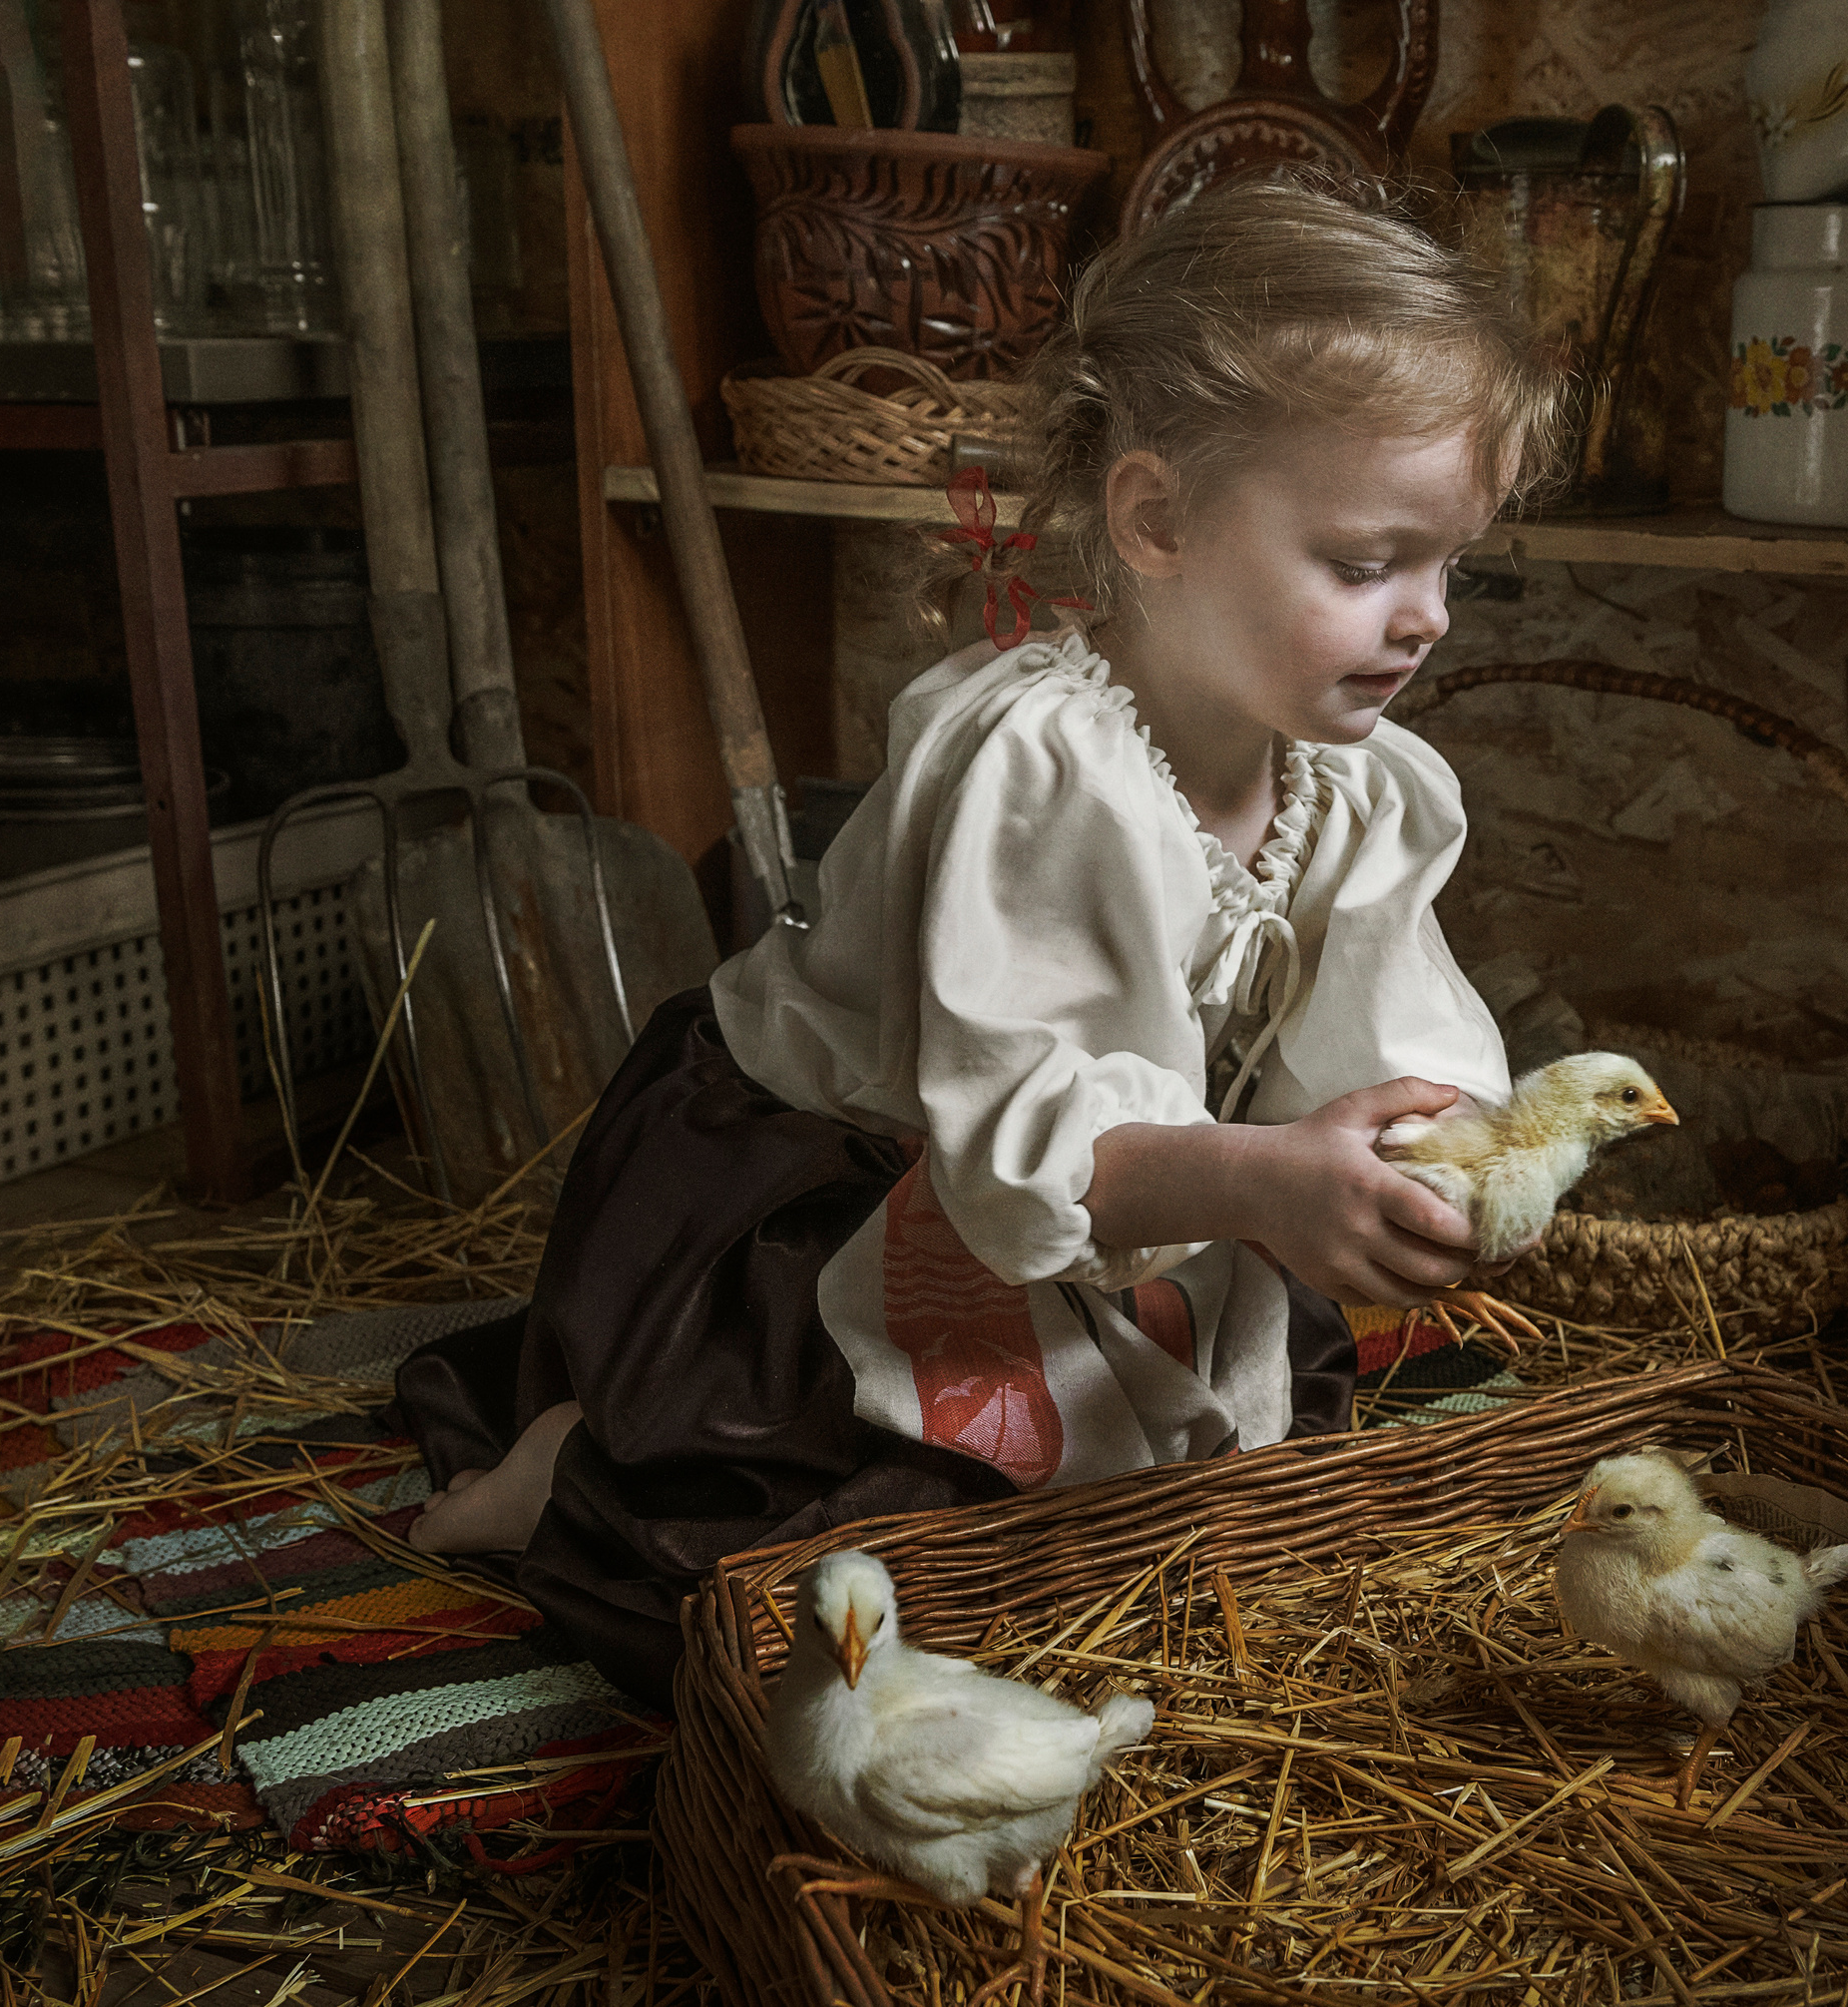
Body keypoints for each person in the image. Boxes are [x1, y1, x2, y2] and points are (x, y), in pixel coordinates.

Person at [390, 176, 1570, 1706]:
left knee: (1200, 1492)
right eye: (1365, 564)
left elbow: (1383, 1036)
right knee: (870, 1562)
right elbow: (1005, 1154)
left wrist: (1446, 1157)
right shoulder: (1036, 767)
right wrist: (1263, 1183)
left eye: (1448, 566)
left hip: (1106, 1191)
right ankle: (572, 1473)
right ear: (1156, 520)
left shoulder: (1357, 783)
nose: (1428, 620)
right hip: (824, 1189)